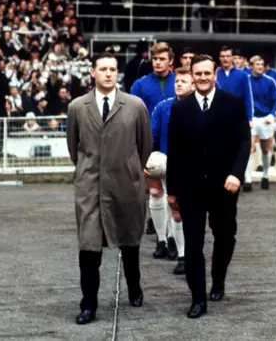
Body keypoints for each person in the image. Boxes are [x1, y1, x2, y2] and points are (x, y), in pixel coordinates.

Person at [66, 53, 152, 325]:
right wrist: (88, 171)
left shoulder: (135, 106)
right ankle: (88, 303)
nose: (108, 73)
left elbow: (145, 145)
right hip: (90, 187)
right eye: (102, 69)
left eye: (112, 69)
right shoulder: (77, 107)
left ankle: (134, 286)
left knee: (129, 241)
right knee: (89, 247)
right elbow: (74, 147)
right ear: (92, 72)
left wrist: (130, 170)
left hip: (126, 184)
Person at [166, 54, 251, 319]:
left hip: (224, 187)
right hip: (191, 188)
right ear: (191, 76)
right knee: (193, 245)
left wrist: (237, 174)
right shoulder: (180, 109)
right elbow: (175, 152)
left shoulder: (233, 103)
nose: (203, 78)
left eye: (207, 73)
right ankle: (197, 298)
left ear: (215, 74)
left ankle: (219, 279)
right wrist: (172, 192)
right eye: (198, 74)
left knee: (225, 237)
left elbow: (243, 142)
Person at [130, 42, 177, 256]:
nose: (157, 63)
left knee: (175, 196)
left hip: (177, 142)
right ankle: (161, 240)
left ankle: (174, 239)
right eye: (155, 59)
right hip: (150, 142)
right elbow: (132, 114)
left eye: (162, 59)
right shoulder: (140, 85)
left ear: (171, 61)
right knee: (156, 191)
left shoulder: (181, 80)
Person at [148, 66, 196, 275]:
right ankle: (180, 254)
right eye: (177, 81)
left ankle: (188, 251)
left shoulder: (201, 108)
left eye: (184, 81)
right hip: (168, 165)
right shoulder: (162, 107)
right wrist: (147, 161)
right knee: (175, 211)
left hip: (194, 168)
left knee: (188, 212)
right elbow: (153, 138)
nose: (178, 84)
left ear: (193, 85)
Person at [246, 56, 276, 190]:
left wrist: (272, 115)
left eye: (262, 64)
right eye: (257, 64)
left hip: (266, 118)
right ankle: (248, 180)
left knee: (266, 149)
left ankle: (265, 175)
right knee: (249, 149)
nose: (260, 66)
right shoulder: (246, 81)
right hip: (252, 118)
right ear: (251, 66)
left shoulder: (270, 81)